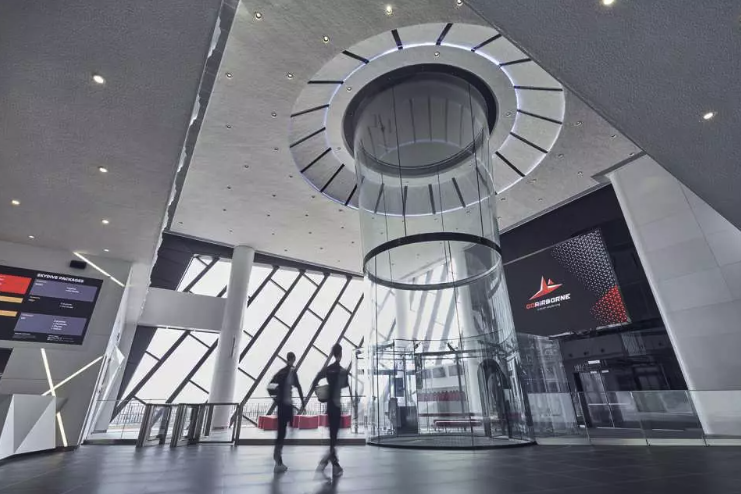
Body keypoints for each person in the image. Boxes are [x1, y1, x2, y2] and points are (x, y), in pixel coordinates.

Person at [312, 343, 350, 478]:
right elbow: (345, 384)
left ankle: (333, 463)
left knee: (333, 436)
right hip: (337, 405)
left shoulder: (328, 369)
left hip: (329, 406)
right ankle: (330, 461)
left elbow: (315, 379)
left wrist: (319, 390)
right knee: (336, 437)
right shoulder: (341, 370)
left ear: (333, 354)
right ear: (341, 354)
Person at [270, 352, 304, 474]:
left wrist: (276, 399)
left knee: (281, 432)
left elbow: (270, 386)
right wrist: (303, 401)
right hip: (286, 406)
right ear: (293, 359)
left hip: (282, 406)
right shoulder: (292, 372)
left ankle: (278, 459)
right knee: (282, 433)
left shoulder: (281, 372)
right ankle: (277, 458)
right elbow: (298, 387)